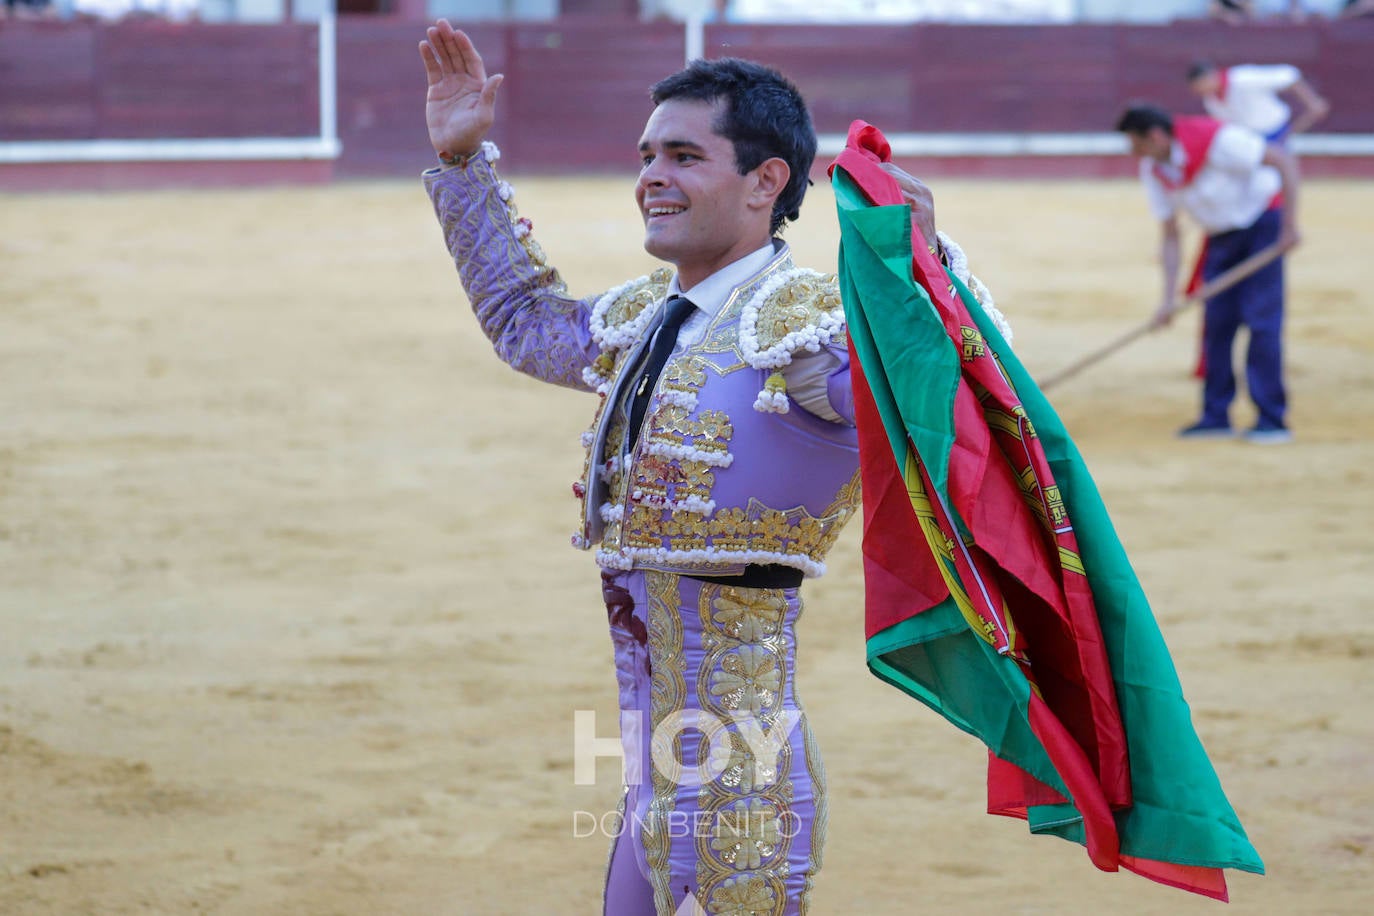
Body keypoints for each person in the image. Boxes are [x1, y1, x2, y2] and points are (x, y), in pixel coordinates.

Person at [417, 18, 984, 915]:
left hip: (738, 790)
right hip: (658, 772)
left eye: (683, 156)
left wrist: (919, 276)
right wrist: (463, 164)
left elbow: (937, 402)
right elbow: (527, 322)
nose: (651, 176)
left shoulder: (801, 326)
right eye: (647, 155)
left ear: (767, 182)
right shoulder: (649, 314)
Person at [1115, 104, 1301, 443]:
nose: (1135, 153)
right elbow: (1170, 235)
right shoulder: (1154, 168)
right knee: (1216, 326)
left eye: (1136, 144)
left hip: (1263, 227)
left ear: (1155, 136)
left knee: (1261, 323)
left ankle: (1272, 420)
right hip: (1220, 238)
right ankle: (1216, 415)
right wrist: (1167, 300)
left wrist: (1289, 227)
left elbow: (1283, 161)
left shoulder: (1220, 139)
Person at [1186, 59, 1331, 144]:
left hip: (1276, 131)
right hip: (1250, 142)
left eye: (1199, 86)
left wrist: (1312, 101)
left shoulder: (1243, 79)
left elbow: (1288, 75)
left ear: (1209, 77)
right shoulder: (1210, 101)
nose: (1199, 92)